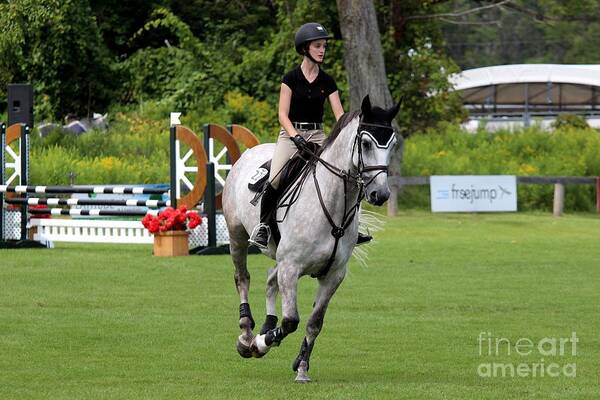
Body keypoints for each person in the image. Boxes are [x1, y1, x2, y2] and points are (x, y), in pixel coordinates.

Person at [248, 22, 372, 249]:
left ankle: (355, 227)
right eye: (317, 46)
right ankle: (264, 227)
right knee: (275, 178)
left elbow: (340, 115)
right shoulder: (290, 78)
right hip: (290, 135)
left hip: (317, 135)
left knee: (347, 175)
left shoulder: (327, 81)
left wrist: (346, 134)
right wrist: (295, 136)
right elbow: (282, 114)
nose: (322, 50)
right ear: (305, 48)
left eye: (324, 46)